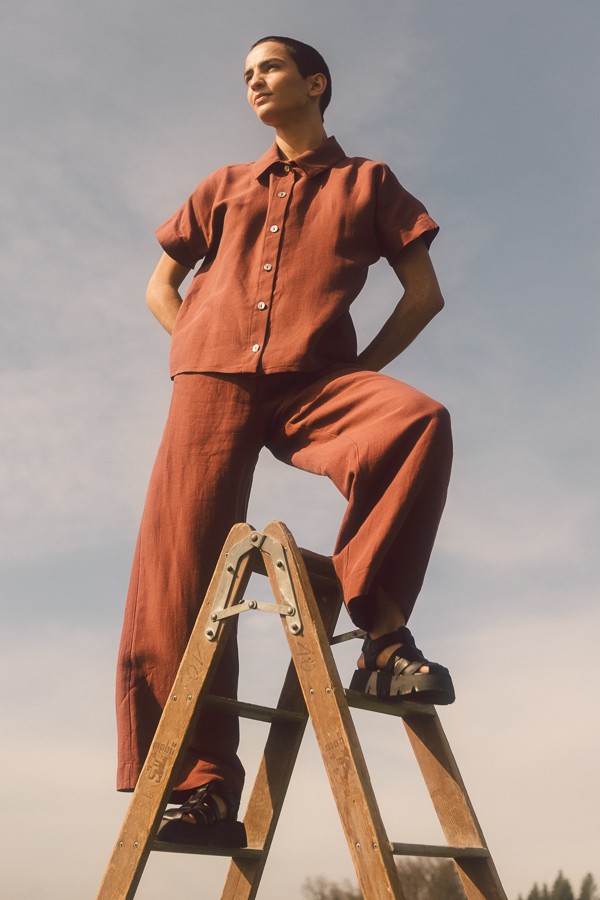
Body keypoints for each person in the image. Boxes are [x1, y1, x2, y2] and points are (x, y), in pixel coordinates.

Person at [116, 36, 454, 847]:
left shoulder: (367, 181)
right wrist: (193, 338)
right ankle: (197, 789)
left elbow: (424, 294)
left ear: (315, 82)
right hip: (211, 384)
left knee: (415, 421)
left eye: (268, 69)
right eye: (245, 76)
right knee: (181, 567)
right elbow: (159, 280)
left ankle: (381, 638)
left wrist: (358, 369)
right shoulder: (224, 187)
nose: (254, 83)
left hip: (316, 379)